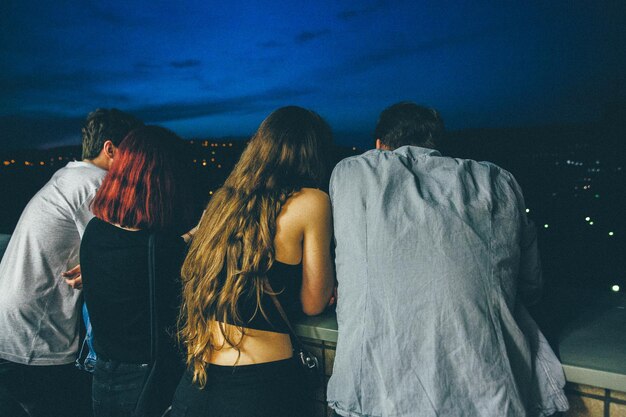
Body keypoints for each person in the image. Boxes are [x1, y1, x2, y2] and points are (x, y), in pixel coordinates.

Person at [326, 102, 569, 417]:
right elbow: (531, 286)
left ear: (379, 146)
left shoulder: (353, 173)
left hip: (374, 395)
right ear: (436, 145)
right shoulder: (498, 180)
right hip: (489, 393)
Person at [172, 106, 335, 417]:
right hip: (257, 391)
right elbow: (314, 302)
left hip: (196, 384)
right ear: (315, 153)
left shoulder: (223, 201)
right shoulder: (312, 201)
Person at [0, 109, 142, 417]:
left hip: (12, 328)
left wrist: (92, 267)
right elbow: (126, 253)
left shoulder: (68, 176)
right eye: (133, 152)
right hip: (34, 340)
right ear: (111, 149)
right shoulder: (98, 184)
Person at [80, 126, 195, 417]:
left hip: (103, 375)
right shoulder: (162, 249)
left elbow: (140, 251)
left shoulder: (96, 231)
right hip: (148, 385)